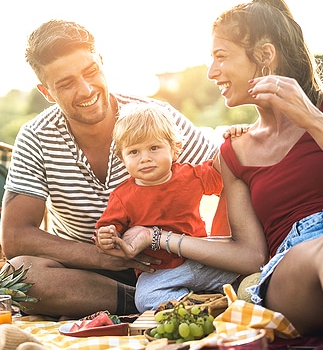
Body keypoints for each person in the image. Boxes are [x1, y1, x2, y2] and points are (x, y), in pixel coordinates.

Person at [111, 0, 323, 349]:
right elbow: (251, 255)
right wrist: (161, 237)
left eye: (221, 57)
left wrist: (313, 119)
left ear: (265, 56)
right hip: (295, 264)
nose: (211, 72)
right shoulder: (234, 152)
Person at [0, 19, 221, 318]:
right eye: (66, 84)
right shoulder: (35, 136)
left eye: (90, 72)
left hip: (176, 264)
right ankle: (146, 302)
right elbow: (15, 237)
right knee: (18, 275)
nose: (86, 89)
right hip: (91, 276)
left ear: (102, 63)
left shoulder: (154, 117)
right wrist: (102, 258)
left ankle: (165, 295)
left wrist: (222, 248)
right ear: (47, 92)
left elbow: (229, 177)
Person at [94, 103, 241, 312]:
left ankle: (216, 298)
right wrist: (106, 237)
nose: (145, 158)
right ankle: (198, 304)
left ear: (174, 150)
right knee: (144, 298)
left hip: (201, 259)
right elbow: (108, 231)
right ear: (122, 158)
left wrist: (233, 141)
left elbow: (222, 171)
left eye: (154, 148)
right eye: (134, 152)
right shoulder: (122, 196)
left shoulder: (190, 175)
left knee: (245, 272)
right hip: (161, 272)